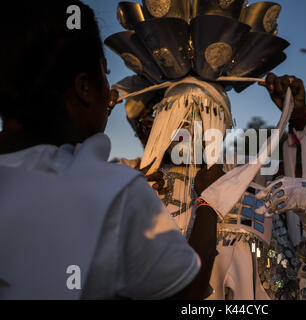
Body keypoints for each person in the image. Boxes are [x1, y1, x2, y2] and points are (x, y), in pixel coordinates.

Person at [109, 0, 306, 300]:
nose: (190, 128)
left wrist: (300, 115)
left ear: (222, 124)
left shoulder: (248, 177)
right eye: (177, 116)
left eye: (204, 115)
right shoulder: (130, 180)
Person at [0, 0, 217, 300]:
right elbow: (186, 295)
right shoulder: (115, 193)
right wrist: (211, 201)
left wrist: (85, 118)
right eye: (104, 74)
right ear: (83, 88)